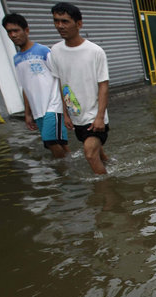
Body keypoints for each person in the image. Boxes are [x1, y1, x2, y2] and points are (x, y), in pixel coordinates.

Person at [49, 2, 109, 175]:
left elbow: (103, 85)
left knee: (90, 154)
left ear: (79, 24)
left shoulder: (95, 51)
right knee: (97, 153)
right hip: (76, 116)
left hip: (94, 116)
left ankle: (108, 193)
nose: (60, 26)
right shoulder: (55, 51)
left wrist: (100, 117)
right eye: (56, 21)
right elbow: (61, 82)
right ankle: (110, 164)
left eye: (65, 21)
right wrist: (65, 113)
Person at [2, 13, 69, 158]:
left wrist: (65, 108)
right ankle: (74, 164)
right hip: (38, 110)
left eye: (16, 30)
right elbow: (25, 87)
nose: (13, 35)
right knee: (60, 142)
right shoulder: (17, 59)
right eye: (9, 32)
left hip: (53, 105)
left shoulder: (43, 51)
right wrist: (27, 113)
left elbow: (61, 78)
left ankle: (65, 173)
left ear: (26, 30)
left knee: (50, 141)